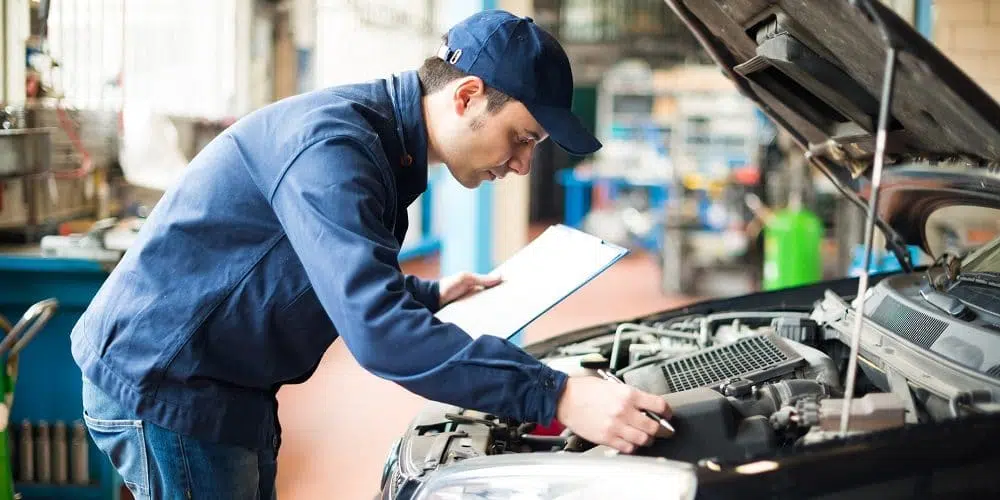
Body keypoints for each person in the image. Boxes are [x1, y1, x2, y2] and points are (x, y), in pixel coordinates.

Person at [70, 9, 672, 499]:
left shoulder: (385, 149)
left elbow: (313, 270)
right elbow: (379, 336)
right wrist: (560, 394)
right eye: (521, 138)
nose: (520, 164)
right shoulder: (335, 148)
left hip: (228, 380)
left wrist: (431, 294)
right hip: (170, 380)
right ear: (466, 97)